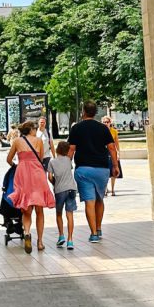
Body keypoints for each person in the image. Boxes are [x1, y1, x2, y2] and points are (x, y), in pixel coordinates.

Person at [68, 101, 119, 243]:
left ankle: (93, 233)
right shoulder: (103, 128)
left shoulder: (76, 128)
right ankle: (99, 227)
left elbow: (71, 149)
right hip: (102, 169)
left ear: (83, 111)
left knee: (89, 202)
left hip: (83, 169)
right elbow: (111, 148)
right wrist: (115, 166)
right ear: (95, 112)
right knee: (99, 199)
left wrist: (66, 166)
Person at [7, 119, 55, 253]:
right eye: (34, 129)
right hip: (37, 173)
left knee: (26, 209)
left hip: (23, 174)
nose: (36, 131)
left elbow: (9, 159)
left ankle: (27, 232)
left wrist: (17, 166)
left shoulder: (17, 141)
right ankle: (40, 242)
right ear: (31, 130)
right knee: (39, 211)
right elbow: (40, 158)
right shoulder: (38, 141)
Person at [48, 141, 77, 249]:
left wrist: (55, 183)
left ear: (57, 149)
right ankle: (70, 240)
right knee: (70, 215)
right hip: (71, 189)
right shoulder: (68, 160)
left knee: (59, 213)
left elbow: (50, 177)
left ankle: (61, 236)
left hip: (60, 190)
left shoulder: (52, 162)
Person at [102, 113, 122, 196]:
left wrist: (118, 153)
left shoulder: (114, 131)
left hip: (112, 152)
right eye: (104, 122)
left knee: (114, 171)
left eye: (107, 122)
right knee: (105, 172)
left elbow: (117, 143)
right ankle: (106, 189)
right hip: (103, 152)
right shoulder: (101, 131)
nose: (106, 123)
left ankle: (113, 189)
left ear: (110, 122)